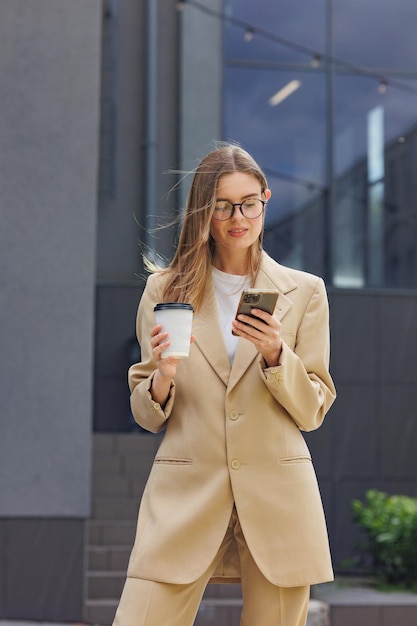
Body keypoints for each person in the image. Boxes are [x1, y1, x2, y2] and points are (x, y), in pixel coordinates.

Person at [113, 144, 336, 626]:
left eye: (249, 202)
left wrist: (279, 355)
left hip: (279, 497)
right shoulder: (165, 289)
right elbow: (145, 413)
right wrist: (163, 377)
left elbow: (314, 407)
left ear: (266, 200)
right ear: (203, 211)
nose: (239, 217)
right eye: (222, 205)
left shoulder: (305, 291)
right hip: (185, 493)